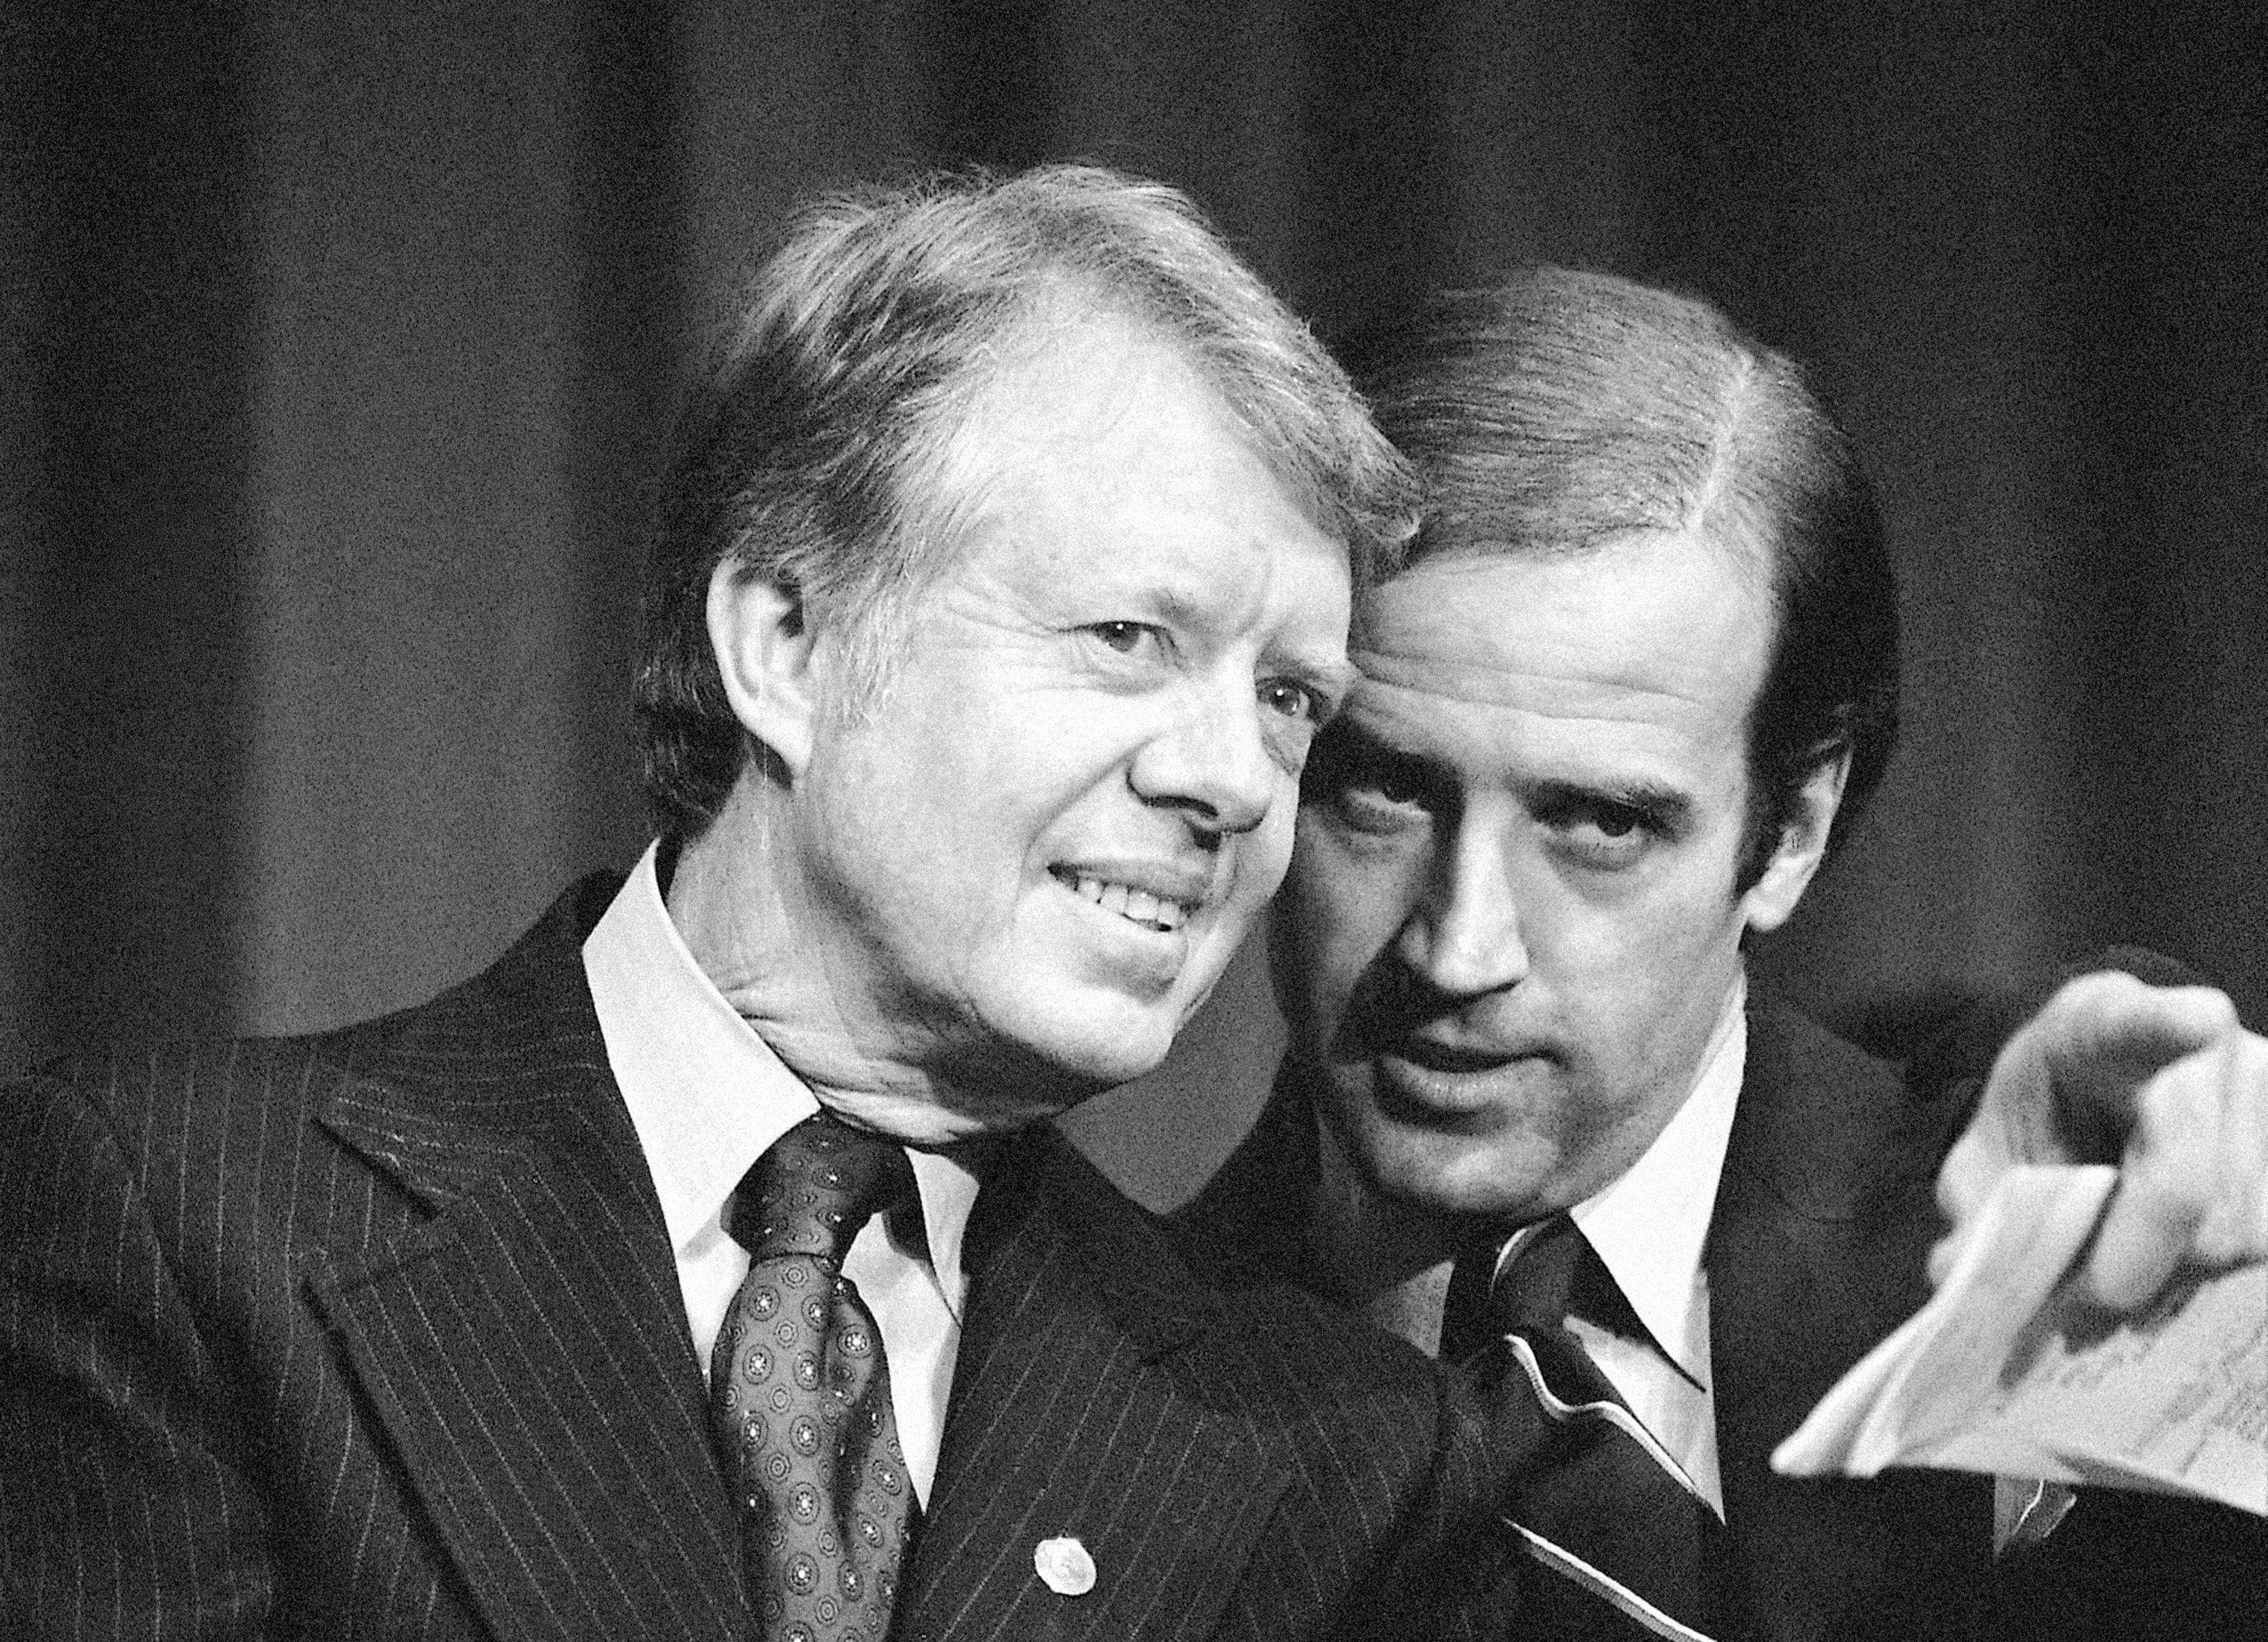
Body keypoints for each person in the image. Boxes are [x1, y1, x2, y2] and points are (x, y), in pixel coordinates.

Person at [0, 167, 1529, 1642]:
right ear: (787, 644)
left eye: (1288, 698)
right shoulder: (187, 1229)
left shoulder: (1349, 1460)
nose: (1240, 782)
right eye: (1131, 636)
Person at [1182, 267, 2268, 1642]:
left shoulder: (2035, 1237)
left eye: (1597, 824)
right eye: (1380, 787)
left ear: (1794, 827)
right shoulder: (1062, 1405)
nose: (1459, 951)